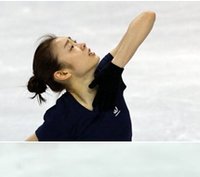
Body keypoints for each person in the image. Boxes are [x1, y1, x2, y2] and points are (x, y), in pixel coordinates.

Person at [25, 11, 156, 141]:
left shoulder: (106, 75)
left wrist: (115, 68)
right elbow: (25, 147)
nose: (82, 44)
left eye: (75, 41)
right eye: (71, 47)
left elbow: (148, 17)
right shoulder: (64, 115)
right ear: (63, 73)